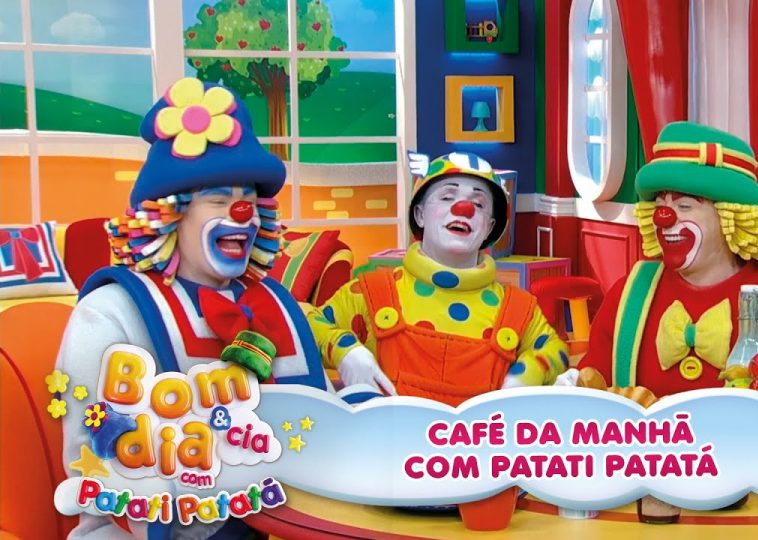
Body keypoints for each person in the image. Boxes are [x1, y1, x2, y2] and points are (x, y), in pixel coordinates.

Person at [56, 77, 330, 538]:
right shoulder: (111, 312)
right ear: (171, 215)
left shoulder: (276, 304)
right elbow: (94, 449)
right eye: (219, 199)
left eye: (248, 200)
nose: (241, 212)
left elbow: (321, 421)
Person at [572, 121, 758, 394]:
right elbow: (588, 393)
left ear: (731, 217)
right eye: (660, 205)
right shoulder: (629, 296)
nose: (664, 218)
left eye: (685, 206)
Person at [310, 152, 569, 406]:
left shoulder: (518, 308)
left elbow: (554, 348)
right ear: (420, 214)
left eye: (479, 204)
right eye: (447, 197)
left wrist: (528, 373)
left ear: (489, 228)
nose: (463, 209)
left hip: (476, 436)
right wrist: (346, 351)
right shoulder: (371, 292)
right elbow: (306, 323)